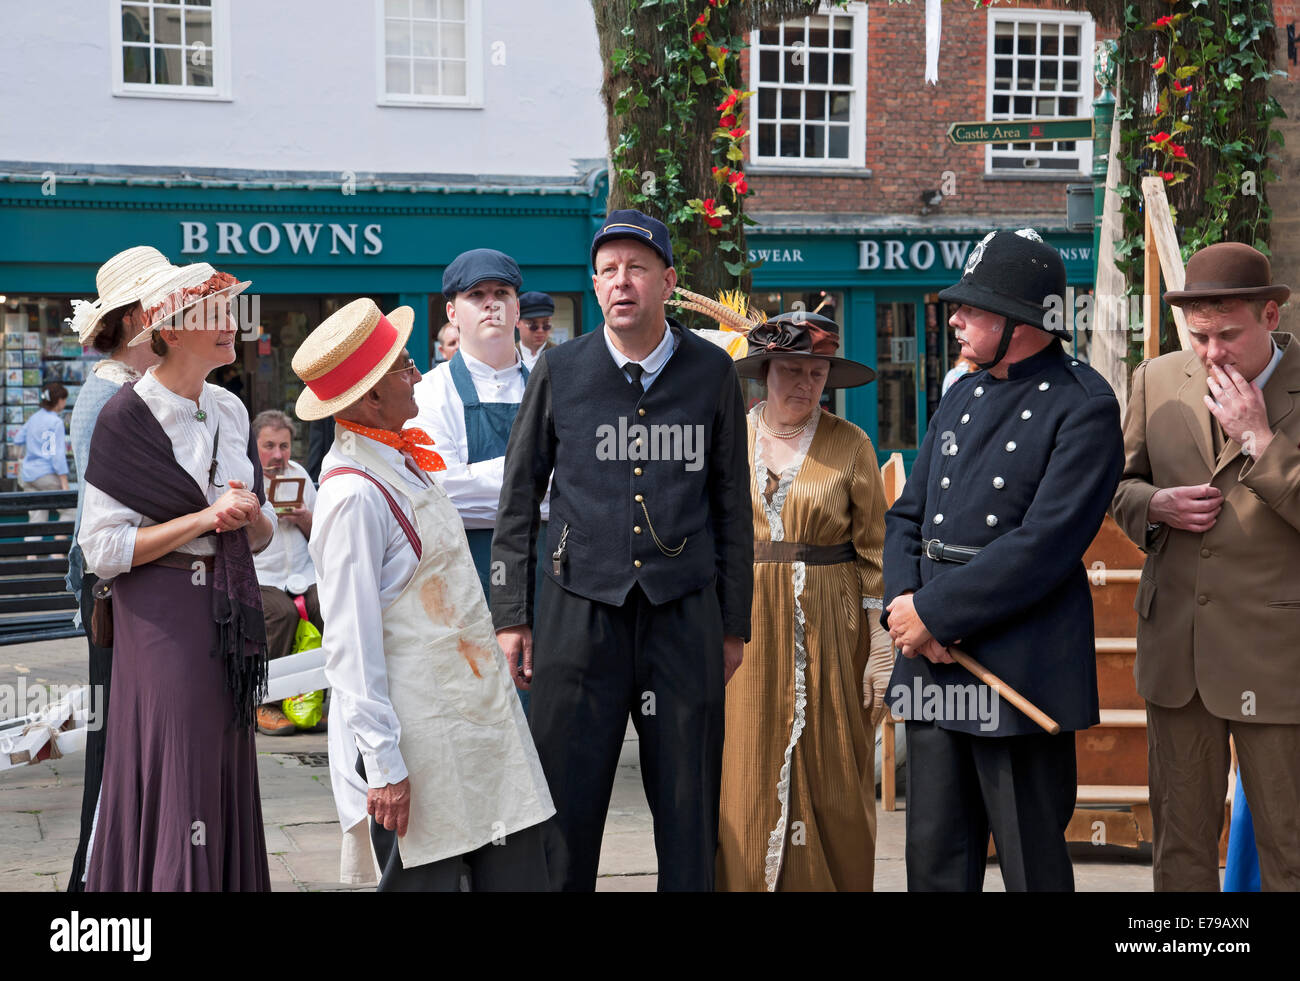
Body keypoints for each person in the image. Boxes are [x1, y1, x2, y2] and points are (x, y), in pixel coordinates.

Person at [491, 209, 753, 891]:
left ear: (667, 281)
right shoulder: (559, 367)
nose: (620, 282)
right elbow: (519, 495)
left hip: (684, 613)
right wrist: (512, 614)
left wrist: (733, 624)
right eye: (607, 271)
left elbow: (731, 502)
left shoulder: (711, 372)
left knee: (689, 807)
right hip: (579, 613)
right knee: (562, 812)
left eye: (636, 268)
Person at [882, 229, 1124, 892]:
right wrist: (905, 612)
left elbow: (1044, 544)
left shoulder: (1086, 406)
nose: (955, 319)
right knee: (932, 864)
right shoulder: (961, 391)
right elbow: (906, 515)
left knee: (1031, 865)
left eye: (974, 309)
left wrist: (935, 611)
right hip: (933, 660)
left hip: (1018, 665)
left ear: (1022, 322)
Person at [295, 297, 553, 891]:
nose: (418, 373)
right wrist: (383, 767)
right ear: (369, 399)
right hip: (417, 744)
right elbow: (350, 646)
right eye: (403, 367)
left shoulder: (401, 460)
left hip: (471, 721)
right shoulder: (353, 493)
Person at [77, 260, 274, 891]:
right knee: (180, 764)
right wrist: (206, 519)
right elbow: (102, 549)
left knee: (221, 760)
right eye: (215, 315)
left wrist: (251, 520)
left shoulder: (232, 410)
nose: (232, 326)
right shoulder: (124, 416)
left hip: (225, 613)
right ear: (171, 329)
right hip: (160, 614)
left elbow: (258, 531)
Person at [1110, 242, 1300, 891]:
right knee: (1180, 846)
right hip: (1178, 656)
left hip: (1279, 663)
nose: (1212, 352)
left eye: (1228, 335)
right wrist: (1154, 505)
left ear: (1271, 316)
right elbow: (1121, 486)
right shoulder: (1156, 378)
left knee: (1289, 847)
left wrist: (1262, 440)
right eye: (1198, 336)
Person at [716, 311, 892, 892]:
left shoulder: (850, 444)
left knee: (834, 765)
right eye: (791, 369)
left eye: (816, 373)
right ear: (766, 371)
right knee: (744, 763)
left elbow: (874, 550)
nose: (804, 383)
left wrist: (882, 642)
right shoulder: (729, 437)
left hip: (833, 621)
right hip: (744, 625)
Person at [63, 244, 171, 891]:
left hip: (137, 583)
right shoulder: (105, 398)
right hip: (115, 588)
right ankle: (91, 880)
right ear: (136, 318)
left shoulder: (133, 390)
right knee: (112, 744)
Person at [411, 249, 547, 606]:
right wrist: (542, 482)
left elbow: (580, 485)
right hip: (465, 594)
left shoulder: (556, 390)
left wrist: (475, 478)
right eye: (475, 295)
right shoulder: (426, 394)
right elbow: (440, 497)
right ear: (452, 313)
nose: (491, 304)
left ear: (517, 309)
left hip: (551, 587)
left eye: (502, 293)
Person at [251, 409, 324, 736]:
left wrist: (304, 518)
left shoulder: (299, 475)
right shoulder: (245, 478)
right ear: (253, 446)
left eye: (284, 446)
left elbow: (322, 537)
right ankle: (264, 700)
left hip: (302, 572)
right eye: (269, 446)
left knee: (327, 604)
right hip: (261, 574)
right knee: (280, 614)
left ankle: (313, 695)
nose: (278, 455)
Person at [16, 383, 73, 534]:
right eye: (64, 399)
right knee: (71, 510)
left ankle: (31, 556)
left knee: (36, 519)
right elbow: (57, 454)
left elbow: (17, 438)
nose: (65, 403)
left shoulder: (34, 417)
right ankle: (56, 550)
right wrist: (64, 483)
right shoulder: (56, 422)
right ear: (59, 400)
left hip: (28, 475)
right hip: (46, 475)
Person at [516, 290, 557, 371]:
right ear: (517, 322)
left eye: (546, 325)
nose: (540, 330)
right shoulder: (507, 357)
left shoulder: (561, 354)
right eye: (533, 325)